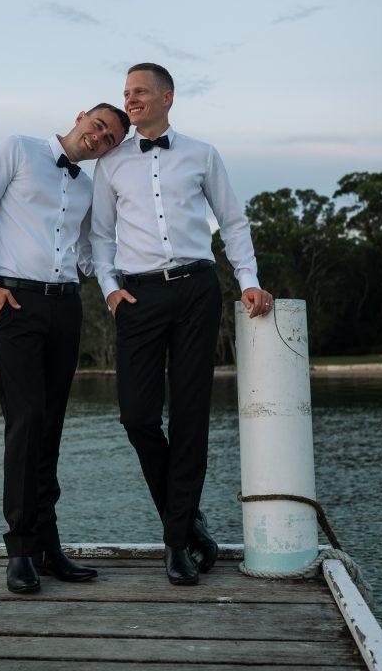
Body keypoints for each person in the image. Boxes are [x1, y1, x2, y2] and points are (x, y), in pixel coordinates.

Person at [90, 63, 273, 586]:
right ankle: (188, 519)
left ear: (167, 96)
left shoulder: (202, 154)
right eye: (127, 93)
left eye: (140, 91)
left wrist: (248, 281)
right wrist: (110, 291)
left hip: (196, 288)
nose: (131, 100)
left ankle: (175, 543)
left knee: (191, 416)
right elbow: (101, 237)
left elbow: (232, 221)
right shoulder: (111, 165)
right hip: (138, 297)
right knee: (137, 417)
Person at [0, 102, 130, 595]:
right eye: (98, 125)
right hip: (14, 301)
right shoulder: (18, 148)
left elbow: (87, 249)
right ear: (81, 117)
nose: (100, 138)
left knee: (51, 425)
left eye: (111, 139)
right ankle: (19, 548)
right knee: (27, 420)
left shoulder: (87, 185)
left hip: (65, 307)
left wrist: (117, 284)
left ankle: (47, 545)